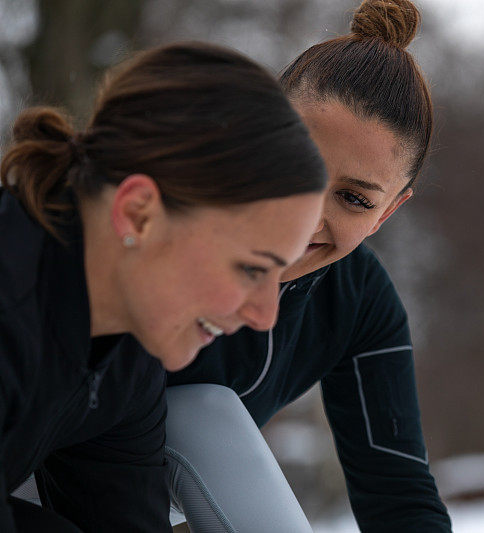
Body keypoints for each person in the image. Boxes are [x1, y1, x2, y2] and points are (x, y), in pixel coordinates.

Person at [0, 41, 327, 532]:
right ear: (139, 214)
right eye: (250, 269)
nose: (264, 315)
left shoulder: (124, 360)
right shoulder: (11, 301)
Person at [168, 1, 452, 531]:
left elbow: (399, 496)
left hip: (124, 498)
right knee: (202, 412)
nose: (306, 218)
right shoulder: (152, 220)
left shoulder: (361, 301)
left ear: (388, 213)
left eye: (354, 199)